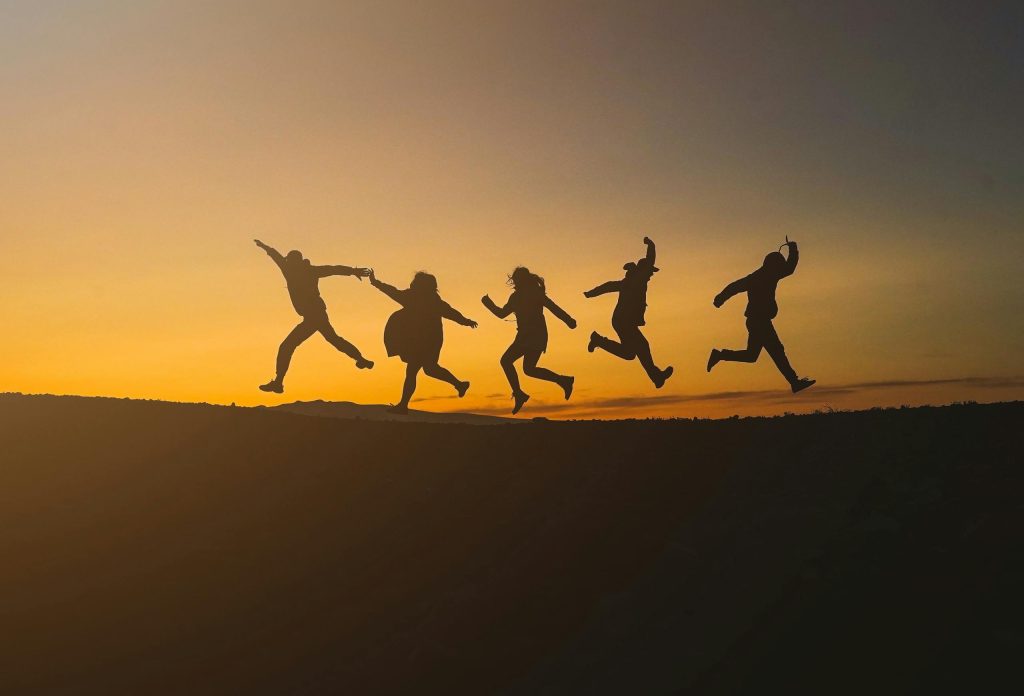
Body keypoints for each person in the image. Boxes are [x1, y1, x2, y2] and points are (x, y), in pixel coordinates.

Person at [254, 240, 374, 394]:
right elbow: (333, 269)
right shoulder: (303, 269)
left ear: (294, 262)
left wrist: (353, 271)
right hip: (317, 314)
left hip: (313, 316)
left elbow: (332, 269)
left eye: (289, 261)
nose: (286, 263)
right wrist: (264, 246)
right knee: (334, 339)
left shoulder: (295, 270)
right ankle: (361, 359)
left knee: (287, 346)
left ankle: (278, 383)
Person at [707, 238, 815, 393]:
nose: (781, 268)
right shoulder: (766, 276)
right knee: (777, 351)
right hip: (760, 322)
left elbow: (735, 286)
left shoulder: (757, 276)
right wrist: (793, 249)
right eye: (779, 265)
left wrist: (720, 298)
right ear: (774, 265)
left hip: (756, 321)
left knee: (751, 356)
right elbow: (789, 268)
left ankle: (719, 355)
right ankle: (794, 382)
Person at [368, 269, 477, 414]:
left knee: (414, 371)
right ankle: (459, 384)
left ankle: (403, 406)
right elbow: (451, 312)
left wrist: (376, 283)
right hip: (430, 340)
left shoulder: (415, 298)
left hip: (423, 341)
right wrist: (466, 321)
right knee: (430, 369)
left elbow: (393, 292)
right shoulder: (433, 300)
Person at [482, 267, 577, 415]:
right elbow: (501, 314)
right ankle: (563, 381)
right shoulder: (515, 297)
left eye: (518, 279)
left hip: (534, 335)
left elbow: (553, 308)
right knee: (528, 369)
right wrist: (488, 304)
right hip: (525, 336)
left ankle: (520, 393)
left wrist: (568, 320)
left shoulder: (535, 294)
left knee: (507, 361)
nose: (516, 282)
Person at [584, 236, 674, 388]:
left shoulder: (633, 281)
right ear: (643, 271)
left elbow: (609, 286)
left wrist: (592, 293)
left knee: (629, 354)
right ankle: (656, 377)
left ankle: (598, 340)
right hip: (623, 321)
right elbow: (610, 285)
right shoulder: (637, 280)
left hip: (623, 321)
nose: (651, 275)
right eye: (650, 272)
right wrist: (650, 245)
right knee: (642, 346)